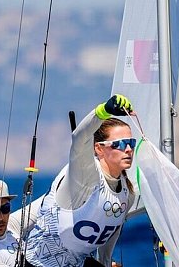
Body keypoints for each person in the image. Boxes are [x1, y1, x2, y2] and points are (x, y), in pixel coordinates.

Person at [20, 94, 137, 267]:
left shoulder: (127, 193)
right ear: (99, 148)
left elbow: (110, 236)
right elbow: (79, 139)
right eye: (119, 144)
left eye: (131, 143)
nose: (128, 149)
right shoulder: (86, 176)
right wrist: (102, 111)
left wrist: (105, 263)